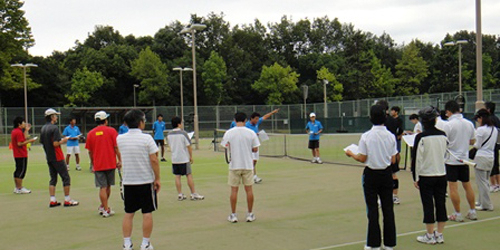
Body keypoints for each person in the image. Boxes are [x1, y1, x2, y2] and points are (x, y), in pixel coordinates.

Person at [345, 105, 397, 250]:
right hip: (386, 174)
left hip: (372, 175)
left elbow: (362, 158)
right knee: (388, 209)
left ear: (370, 119)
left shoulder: (366, 136)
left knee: (372, 209)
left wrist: (351, 153)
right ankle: (389, 244)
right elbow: (393, 159)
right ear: (385, 118)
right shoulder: (390, 136)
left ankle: (373, 244)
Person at [118, 109, 160, 250]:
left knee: (129, 213)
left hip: (129, 181)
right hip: (145, 181)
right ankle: (145, 243)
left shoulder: (120, 138)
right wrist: (157, 179)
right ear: (140, 122)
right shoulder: (146, 138)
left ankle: (127, 243)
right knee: (147, 212)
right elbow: (154, 160)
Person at [411, 106, 448, 245]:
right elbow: (445, 154)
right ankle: (439, 234)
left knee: (428, 204)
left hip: (426, 175)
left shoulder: (421, 137)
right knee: (440, 203)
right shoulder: (443, 135)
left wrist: (416, 178)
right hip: (441, 173)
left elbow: (416, 159)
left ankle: (430, 234)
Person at [221, 112, 260, 223]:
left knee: (234, 190)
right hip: (248, 165)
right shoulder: (251, 133)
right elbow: (255, 149)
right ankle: (250, 214)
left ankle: (233, 215)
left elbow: (224, 146)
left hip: (234, 166)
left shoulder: (229, 133)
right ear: (245, 120)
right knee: (249, 190)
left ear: (234, 120)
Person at [443, 100, 477, 222]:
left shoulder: (448, 125)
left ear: (448, 112)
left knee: (453, 187)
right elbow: (472, 141)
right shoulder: (469, 123)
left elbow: (444, 141)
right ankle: (472, 211)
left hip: (452, 159)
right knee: (467, 184)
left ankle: (457, 213)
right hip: (464, 159)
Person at [40, 108, 79, 208]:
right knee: (66, 177)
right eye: (55, 116)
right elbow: (55, 143)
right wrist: (64, 140)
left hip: (49, 157)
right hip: (57, 156)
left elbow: (43, 142)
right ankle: (67, 200)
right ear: (52, 117)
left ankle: (52, 200)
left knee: (53, 178)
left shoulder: (43, 128)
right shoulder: (54, 128)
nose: (56, 117)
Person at [85, 111, 122, 217]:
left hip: (99, 164)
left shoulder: (91, 133)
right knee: (107, 186)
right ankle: (106, 209)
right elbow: (116, 147)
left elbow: (90, 151)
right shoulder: (112, 131)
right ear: (105, 120)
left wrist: (92, 164)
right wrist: (120, 160)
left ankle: (103, 206)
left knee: (103, 187)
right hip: (110, 163)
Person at [167, 116, 204, 201]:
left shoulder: (169, 134)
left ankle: (180, 194)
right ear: (179, 124)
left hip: (175, 158)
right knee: (189, 175)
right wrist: (191, 156)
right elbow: (189, 146)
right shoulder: (183, 133)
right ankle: (193, 193)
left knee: (177, 176)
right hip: (184, 158)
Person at [377, 101, 403, 205]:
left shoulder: (379, 120)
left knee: (381, 176)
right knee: (393, 175)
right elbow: (399, 130)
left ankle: (383, 198)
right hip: (391, 149)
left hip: (383, 151)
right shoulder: (394, 120)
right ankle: (394, 196)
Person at [472, 109, 498, 211]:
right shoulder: (494, 129)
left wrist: (472, 145)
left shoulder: (481, 130)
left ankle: (486, 204)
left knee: (481, 182)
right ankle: (481, 201)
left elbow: (477, 145)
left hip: (481, 157)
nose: (477, 121)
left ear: (481, 118)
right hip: (490, 156)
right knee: (484, 181)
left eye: (478, 119)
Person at [244, 109, 279, 183]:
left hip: (256, 145)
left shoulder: (257, 122)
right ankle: (254, 176)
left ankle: (251, 175)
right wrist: (254, 135)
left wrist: (273, 112)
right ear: (251, 119)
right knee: (252, 161)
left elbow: (265, 117)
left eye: (257, 119)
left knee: (254, 161)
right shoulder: (246, 125)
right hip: (248, 146)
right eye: (255, 119)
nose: (257, 120)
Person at [11, 117, 36, 194]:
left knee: (18, 170)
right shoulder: (18, 132)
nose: (24, 124)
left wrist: (26, 130)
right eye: (23, 123)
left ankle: (17, 187)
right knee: (21, 171)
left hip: (17, 154)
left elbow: (23, 138)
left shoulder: (15, 131)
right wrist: (30, 141)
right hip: (21, 154)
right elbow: (20, 143)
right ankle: (19, 188)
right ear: (19, 124)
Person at [485, 101, 500, 192]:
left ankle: (493, 184)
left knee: (491, 165)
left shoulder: (489, 119)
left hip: (491, 145)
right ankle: (498, 184)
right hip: (497, 144)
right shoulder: (497, 118)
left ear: (488, 109)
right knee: (496, 164)